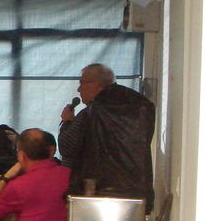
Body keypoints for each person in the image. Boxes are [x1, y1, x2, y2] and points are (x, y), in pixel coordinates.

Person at [58, 63, 155, 206]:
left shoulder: (91, 112)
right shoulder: (140, 103)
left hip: (97, 192)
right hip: (136, 191)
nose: (79, 89)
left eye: (82, 83)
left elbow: (67, 147)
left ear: (96, 84)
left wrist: (67, 122)